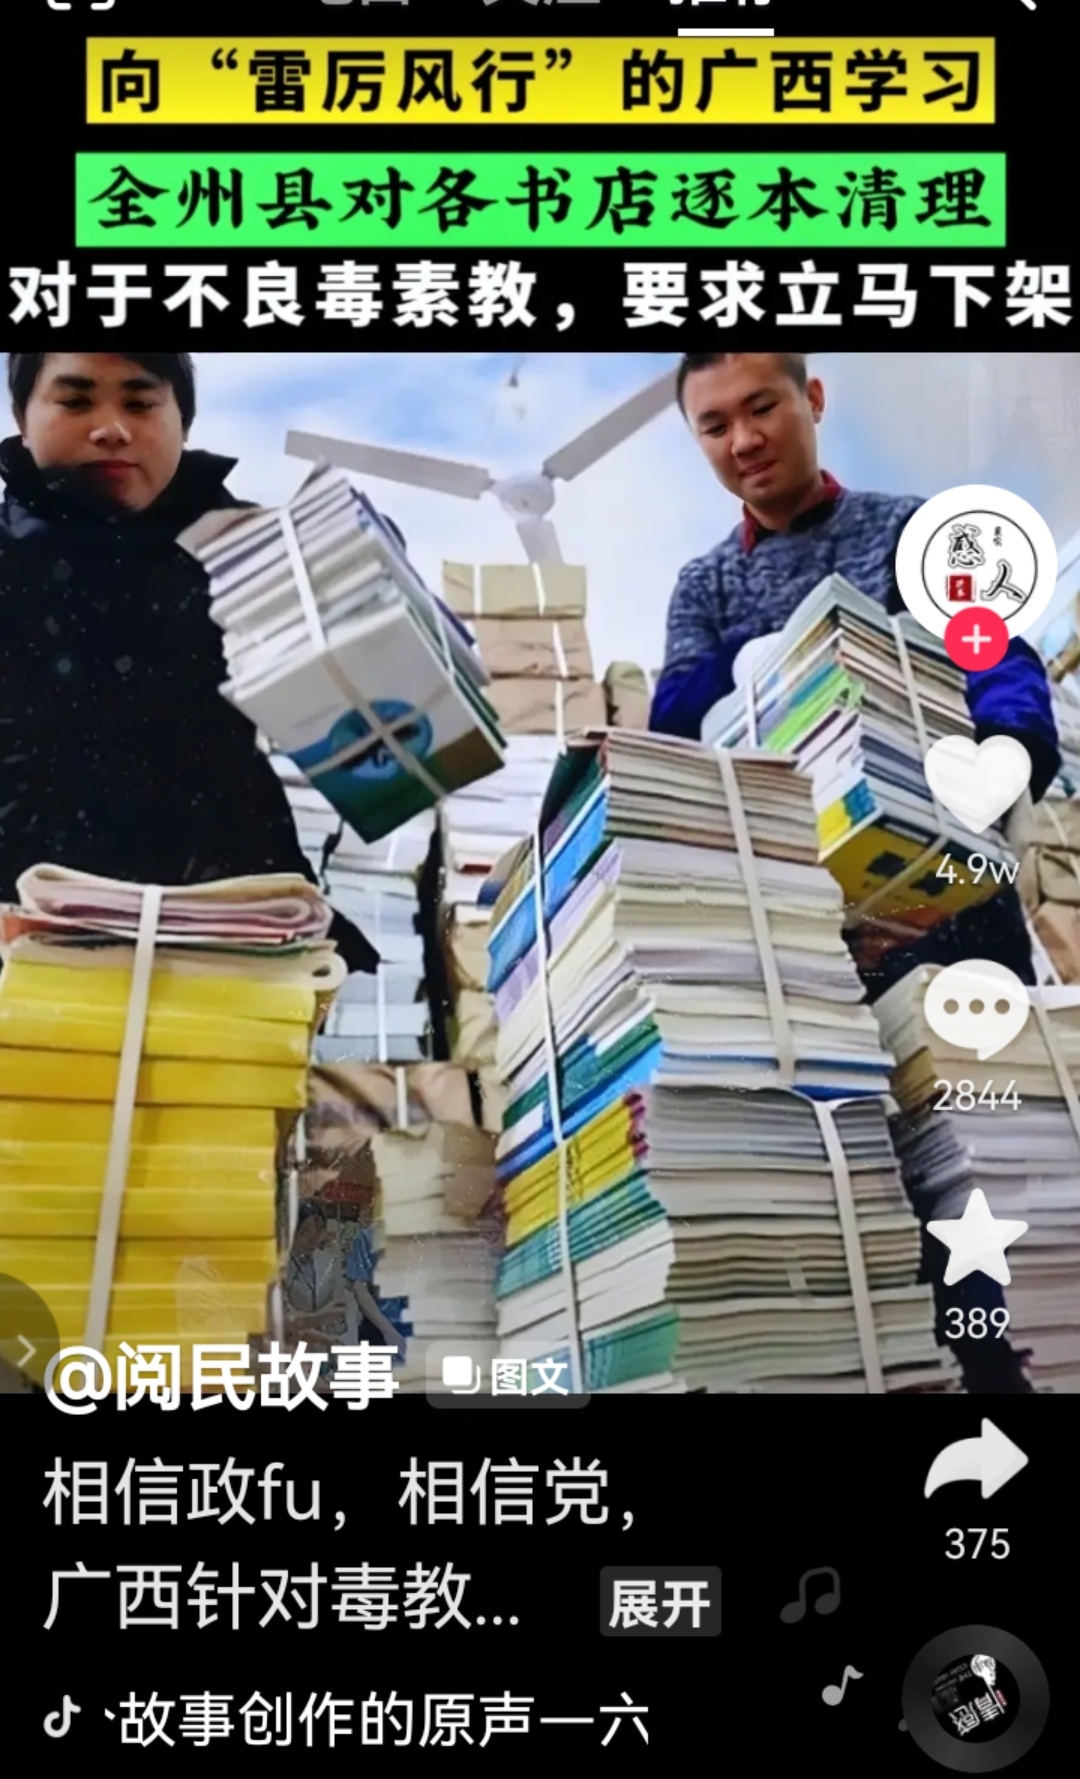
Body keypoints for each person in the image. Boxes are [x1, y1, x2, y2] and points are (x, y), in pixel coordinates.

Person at [652, 351, 1060, 1392]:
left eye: (762, 407)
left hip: (957, 913)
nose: (744, 440)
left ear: (813, 398)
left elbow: (1001, 666)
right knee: (857, 1203)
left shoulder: (912, 530)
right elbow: (681, 738)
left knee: (983, 1187)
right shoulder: (704, 585)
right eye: (713, 426)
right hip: (807, 947)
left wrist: (1002, 762)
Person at [0, 351, 377, 973]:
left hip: (233, 923)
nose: (111, 428)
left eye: (139, 402)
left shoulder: (254, 558)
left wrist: (361, 596)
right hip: (27, 932)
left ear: (183, 422)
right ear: (22, 417)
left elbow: (374, 739)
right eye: (75, 401)